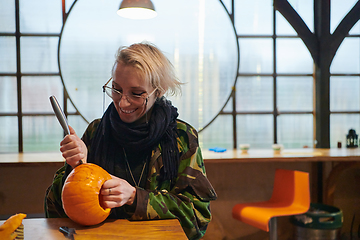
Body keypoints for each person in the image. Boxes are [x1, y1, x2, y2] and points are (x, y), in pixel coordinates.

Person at [45, 42, 217, 240]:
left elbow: (197, 219)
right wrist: (73, 168)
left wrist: (135, 197)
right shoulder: (96, 132)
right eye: (116, 89)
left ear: (158, 92)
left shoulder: (181, 138)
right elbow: (54, 212)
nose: (122, 102)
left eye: (136, 94)